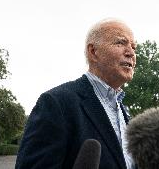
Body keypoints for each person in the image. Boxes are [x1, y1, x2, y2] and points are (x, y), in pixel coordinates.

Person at [15, 18, 137, 169]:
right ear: (93, 52)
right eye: (120, 43)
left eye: (133, 47)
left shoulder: (125, 112)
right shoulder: (56, 103)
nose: (131, 53)